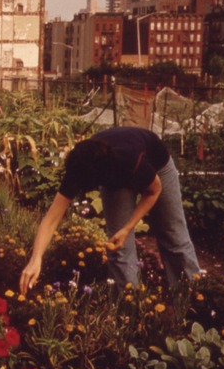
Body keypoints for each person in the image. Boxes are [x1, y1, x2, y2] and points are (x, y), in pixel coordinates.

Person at [20, 126, 200, 295]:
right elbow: (52, 218)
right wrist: (36, 259)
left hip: (157, 166)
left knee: (174, 238)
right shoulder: (79, 166)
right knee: (118, 249)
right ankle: (129, 315)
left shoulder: (127, 159)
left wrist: (128, 227)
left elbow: (154, 191)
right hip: (114, 175)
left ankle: (193, 303)